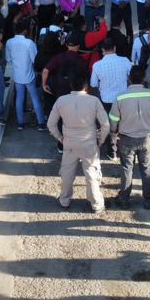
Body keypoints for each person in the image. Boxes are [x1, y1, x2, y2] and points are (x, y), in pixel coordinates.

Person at [47, 70, 110, 213]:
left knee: (67, 173)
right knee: (92, 174)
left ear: (71, 85)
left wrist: (60, 138)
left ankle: (64, 200)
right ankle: (96, 203)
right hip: (89, 143)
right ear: (86, 86)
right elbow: (105, 125)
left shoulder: (61, 101)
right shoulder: (94, 101)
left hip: (69, 143)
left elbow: (51, 124)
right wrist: (100, 140)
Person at [109, 65, 150, 209]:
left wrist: (114, 132)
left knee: (126, 168)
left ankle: (124, 199)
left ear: (129, 78)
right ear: (144, 78)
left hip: (126, 139)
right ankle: (149, 198)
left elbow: (113, 119)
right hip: (147, 138)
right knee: (147, 169)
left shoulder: (120, 96)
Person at [91, 37, 132, 156]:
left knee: (109, 125)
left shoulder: (97, 65)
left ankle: (112, 151)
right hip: (123, 99)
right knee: (123, 123)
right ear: (114, 48)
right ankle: (126, 150)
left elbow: (93, 83)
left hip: (106, 100)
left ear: (102, 49)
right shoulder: (125, 61)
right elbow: (132, 76)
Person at [7, 19, 45, 130]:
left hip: (17, 75)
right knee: (35, 98)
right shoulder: (29, 43)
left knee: (19, 97)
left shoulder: (9, 42)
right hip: (29, 75)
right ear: (25, 31)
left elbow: (8, 59)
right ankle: (41, 122)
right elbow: (35, 60)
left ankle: (20, 123)